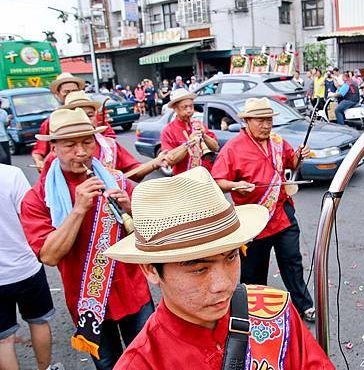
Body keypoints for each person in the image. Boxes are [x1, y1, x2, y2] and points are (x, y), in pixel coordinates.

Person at [102, 167, 334, 370]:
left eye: (231, 257)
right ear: (151, 270)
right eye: (199, 268)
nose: (223, 285)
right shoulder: (142, 363)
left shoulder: (274, 311)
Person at [21, 109, 155, 370]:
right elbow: (49, 256)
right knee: (108, 364)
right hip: (88, 299)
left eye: (87, 142)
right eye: (70, 145)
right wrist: (78, 209)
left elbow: (153, 230)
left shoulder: (115, 180)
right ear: (54, 147)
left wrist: (131, 208)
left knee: (148, 358)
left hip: (133, 288)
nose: (81, 152)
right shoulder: (38, 198)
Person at [211, 98, 317, 322]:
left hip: (282, 215)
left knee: (293, 263)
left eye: (269, 120)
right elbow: (218, 180)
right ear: (247, 121)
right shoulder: (233, 148)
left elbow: (293, 163)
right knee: (254, 272)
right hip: (253, 222)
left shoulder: (277, 141)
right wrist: (235, 185)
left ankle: (304, 305)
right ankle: (257, 313)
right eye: (260, 120)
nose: (266, 125)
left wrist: (301, 155)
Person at [0, 164, 59, 370]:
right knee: (39, 322)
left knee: (4, 340)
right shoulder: (10, 175)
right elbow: (29, 216)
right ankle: (45, 368)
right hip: (26, 266)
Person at [39, 92, 165, 183]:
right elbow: (45, 193)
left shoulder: (110, 146)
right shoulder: (56, 156)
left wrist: (155, 163)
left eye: (90, 115)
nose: (81, 152)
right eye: (70, 145)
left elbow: (133, 172)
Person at [31, 73, 86, 171]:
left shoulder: (94, 117)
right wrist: (39, 162)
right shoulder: (52, 121)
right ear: (58, 94)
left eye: (74, 91)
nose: (71, 95)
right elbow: (39, 150)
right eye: (67, 92)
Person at [160, 89, 219, 175]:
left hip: (206, 177)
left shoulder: (198, 124)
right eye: (185, 107)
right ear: (175, 108)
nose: (189, 110)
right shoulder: (168, 131)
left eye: (191, 107)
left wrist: (204, 136)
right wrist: (188, 143)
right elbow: (170, 160)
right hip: (184, 180)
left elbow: (215, 147)